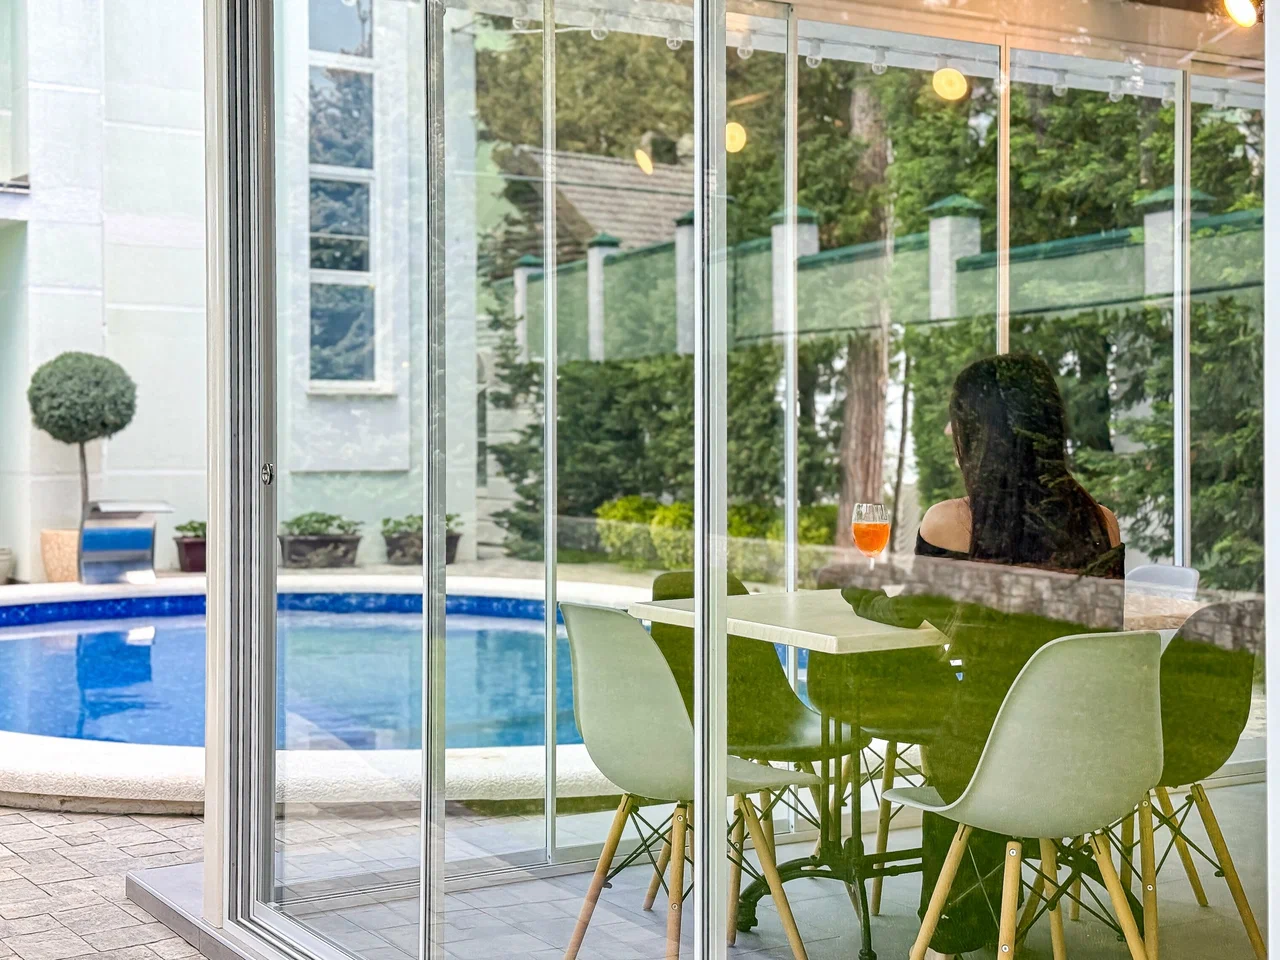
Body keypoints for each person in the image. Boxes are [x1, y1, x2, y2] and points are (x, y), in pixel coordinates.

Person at [838, 353, 1124, 959]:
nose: (948, 430)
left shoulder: (952, 523)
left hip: (985, 755)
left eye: (958, 418)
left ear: (984, 431)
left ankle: (962, 929)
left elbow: (912, 615)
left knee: (960, 721)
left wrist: (858, 591)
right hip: (1087, 749)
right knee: (979, 716)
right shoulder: (1103, 523)